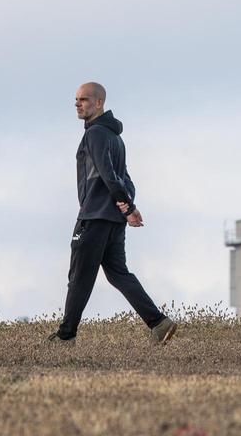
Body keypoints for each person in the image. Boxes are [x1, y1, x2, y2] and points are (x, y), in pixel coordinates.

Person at [49, 82, 177, 344]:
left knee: (79, 277)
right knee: (118, 273)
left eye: (83, 99)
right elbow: (125, 179)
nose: (78, 104)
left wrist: (128, 207)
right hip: (113, 221)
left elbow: (109, 175)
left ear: (99, 103)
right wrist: (128, 205)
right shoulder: (116, 138)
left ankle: (65, 336)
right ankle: (158, 323)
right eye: (76, 99)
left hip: (94, 218)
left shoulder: (95, 134)